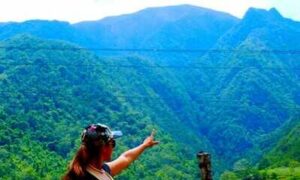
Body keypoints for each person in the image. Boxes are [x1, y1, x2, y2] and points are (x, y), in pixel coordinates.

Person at [63, 123, 159, 179]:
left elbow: (126, 157)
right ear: (104, 148)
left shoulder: (98, 170)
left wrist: (144, 145)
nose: (113, 148)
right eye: (112, 143)